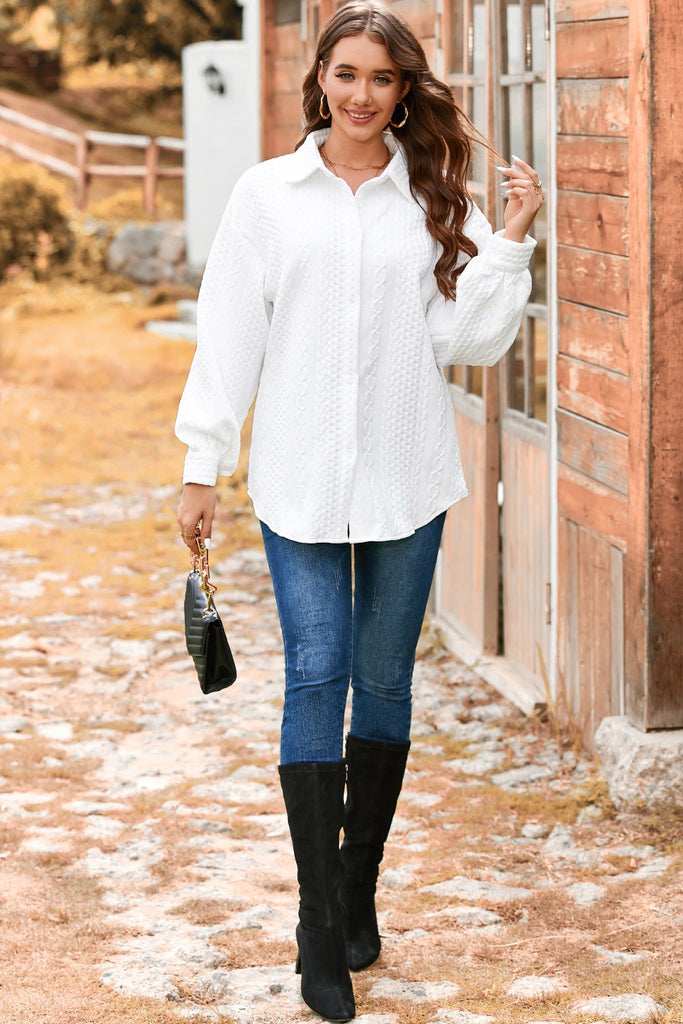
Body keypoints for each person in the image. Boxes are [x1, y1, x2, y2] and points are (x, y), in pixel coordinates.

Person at [176, 2, 543, 1020]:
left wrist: (509, 240)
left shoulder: (429, 196)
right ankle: (315, 923)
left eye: (382, 78)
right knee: (316, 673)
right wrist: (203, 464)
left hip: (404, 475)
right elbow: (229, 335)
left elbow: (466, 339)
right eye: (346, 74)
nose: (361, 95)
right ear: (320, 80)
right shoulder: (266, 196)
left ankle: (357, 889)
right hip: (296, 479)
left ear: (403, 90)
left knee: (382, 682)